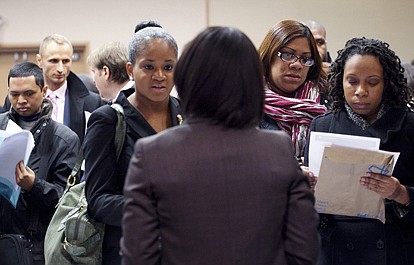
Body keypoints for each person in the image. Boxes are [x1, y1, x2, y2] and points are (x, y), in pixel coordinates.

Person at [121, 26, 320, 265]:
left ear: (187, 79)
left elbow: (138, 254)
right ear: (253, 82)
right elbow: (303, 250)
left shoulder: (153, 153)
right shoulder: (278, 149)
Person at [305, 37, 414, 265]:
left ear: (386, 83)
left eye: (372, 82)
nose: (360, 91)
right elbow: (309, 212)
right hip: (336, 252)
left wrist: (401, 193)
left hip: (398, 252)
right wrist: (306, 187)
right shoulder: (322, 126)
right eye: (351, 81)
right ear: (339, 81)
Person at [84, 27, 184, 265]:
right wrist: (154, 209)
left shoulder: (186, 114)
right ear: (131, 69)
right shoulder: (107, 120)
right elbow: (97, 200)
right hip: (128, 251)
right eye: (149, 67)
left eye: (168, 67)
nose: (159, 75)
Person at [0, 62, 79, 264]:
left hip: (35, 245)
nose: (21, 101)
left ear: (44, 90)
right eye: (14, 94)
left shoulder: (64, 138)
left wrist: (34, 185)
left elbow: (68, 201)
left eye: (28, 93)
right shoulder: (1, 126)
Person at [2, 34, 103, 143]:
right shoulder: (14, 101)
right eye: (53, 61)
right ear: (39, 61)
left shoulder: (92, 102)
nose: (60, 68)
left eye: (65, 61)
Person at [258, 19, 328, 163]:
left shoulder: (327, 101)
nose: (297, 65)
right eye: (288, 55)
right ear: (269, 56)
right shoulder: (247, 104)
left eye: (305, 58)